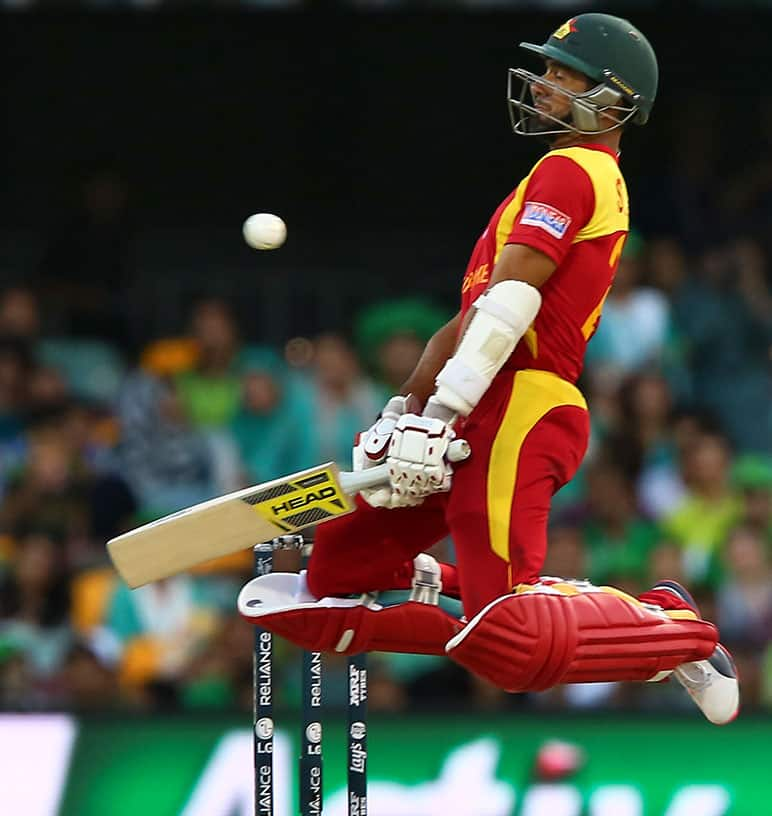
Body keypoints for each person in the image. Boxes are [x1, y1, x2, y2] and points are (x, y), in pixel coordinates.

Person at [239, 14, 739, 724]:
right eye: (549, 69)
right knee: (336, 578)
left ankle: (675, 628)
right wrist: (403, 410)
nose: (543, 84)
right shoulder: (549, 175)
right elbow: (471, 317)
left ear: (612, 96)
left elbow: (511, 305)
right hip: (480, 395)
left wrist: (439, 413)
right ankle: (426, 579)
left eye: (564, 75)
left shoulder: (576, 170)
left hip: (521, 404)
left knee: (508, 640)